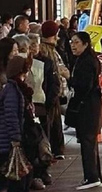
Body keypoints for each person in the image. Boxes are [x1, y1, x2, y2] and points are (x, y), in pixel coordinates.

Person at [69, 32, 102, 190]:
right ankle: (93, 176)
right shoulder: (84, 59)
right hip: (89, 104)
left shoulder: (87, 61)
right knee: (89, 141)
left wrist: (70, 80)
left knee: (87, 141)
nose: (73, 45)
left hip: (88, 106)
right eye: (71, 42)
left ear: (86, 44)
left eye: (76, 42)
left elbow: (84, 86)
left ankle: (92, 177)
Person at [0, 56, 33, 192]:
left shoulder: (14, 88)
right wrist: (16, 139)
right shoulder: (13, 90)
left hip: (6, 139)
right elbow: (11, 115)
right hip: (7, 140)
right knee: (15, 179)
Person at [39, 21, 66, 158]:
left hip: (48, 90)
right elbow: (56, 71)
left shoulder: (47, 48)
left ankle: (56, 149)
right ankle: (55, 150)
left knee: (53, 121)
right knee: (52, 121)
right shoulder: (48, 51)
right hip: (50, 91)